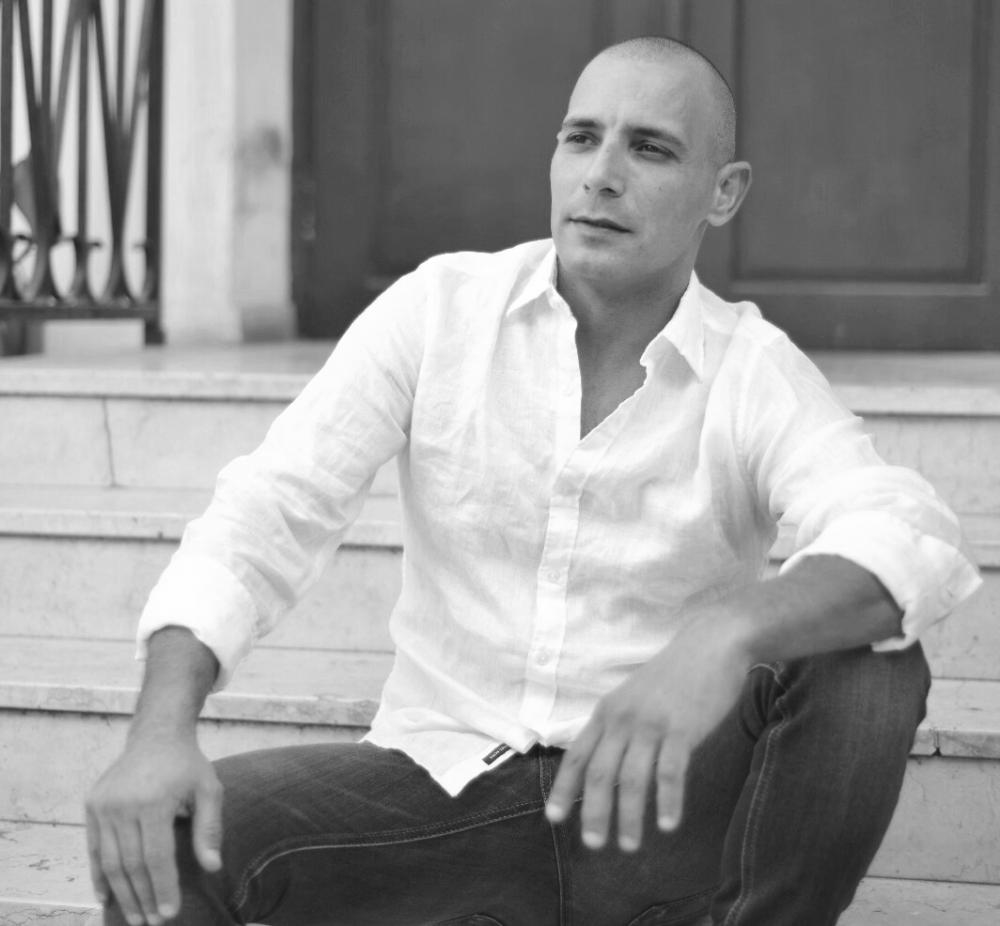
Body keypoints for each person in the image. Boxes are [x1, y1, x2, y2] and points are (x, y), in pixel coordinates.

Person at [86, 36, 981, 926]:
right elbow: (268, 512)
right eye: (581, 138)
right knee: (165, 848)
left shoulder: (750, 369)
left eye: (650, 148)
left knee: (866, 656)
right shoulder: (441, 310)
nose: (601, 176)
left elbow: (906, 531)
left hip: (657, 812)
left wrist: (725, 634)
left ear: (724, 192)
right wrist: (160, 730)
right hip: (443, 794)